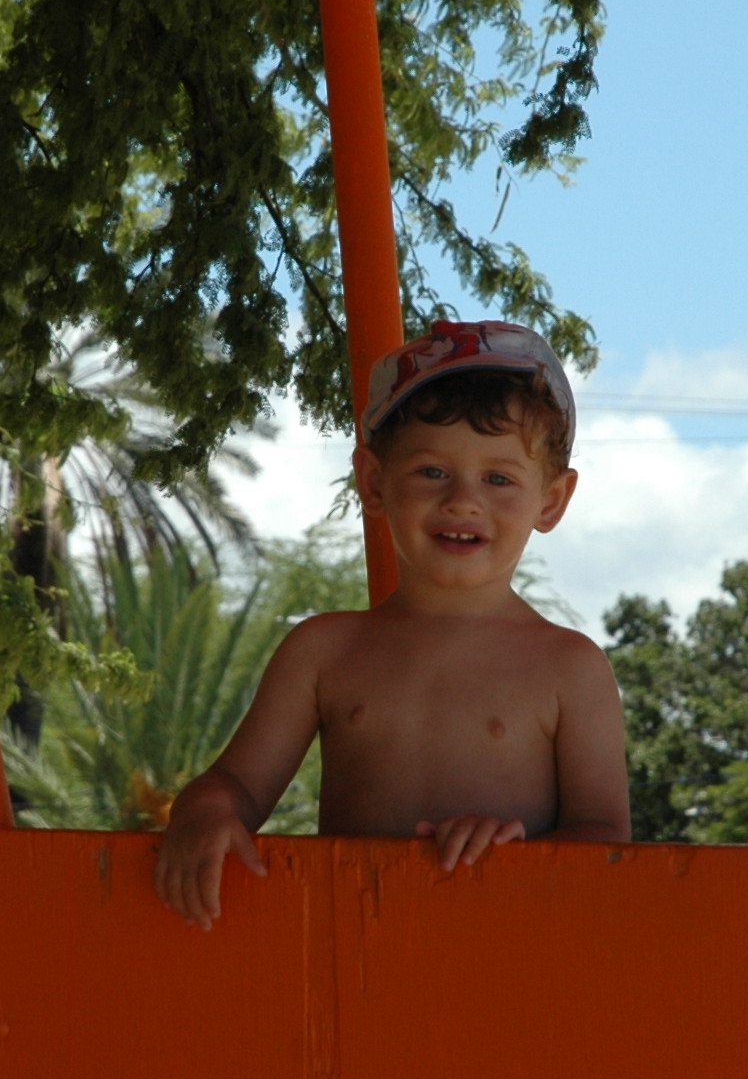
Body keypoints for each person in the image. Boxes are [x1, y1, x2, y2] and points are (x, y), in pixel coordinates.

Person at [156, 321, 631, 927]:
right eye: (432, 471)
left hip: (509, 956)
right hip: (352, 957)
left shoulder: (573, 668)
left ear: (553, 499)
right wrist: (204, 810)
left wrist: (515, 854)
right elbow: (236, 786)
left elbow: (608, 840)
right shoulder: (322, 651)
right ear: (374, 481)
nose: (463, 500)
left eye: (498, 478)